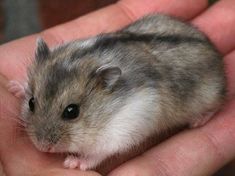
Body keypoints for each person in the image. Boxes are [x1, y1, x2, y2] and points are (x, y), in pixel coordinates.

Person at [0, 0, 235, 175]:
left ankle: (209, 109)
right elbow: (48, 81)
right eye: (33, 104)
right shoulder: (57, 67)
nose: (43, 140)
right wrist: (30, 93)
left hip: (196, 68)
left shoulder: (135, 97)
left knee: (210, 94)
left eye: (70, 113)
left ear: (106, 83)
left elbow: (136, 122)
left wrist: (92, 158)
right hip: (158, 34)